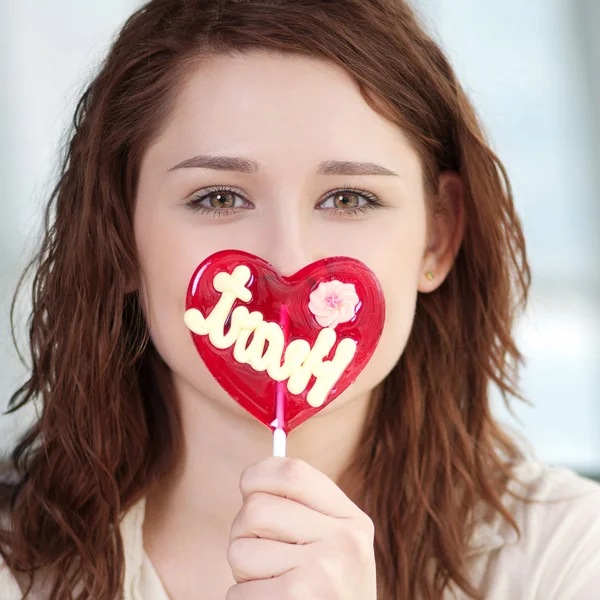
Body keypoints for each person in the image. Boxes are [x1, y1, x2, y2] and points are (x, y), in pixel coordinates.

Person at [1, 0, 599, 598]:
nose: (287, 262)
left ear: (437, 237)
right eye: (218, 198)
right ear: (119, 235)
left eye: (348, 199)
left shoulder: (569, 557)